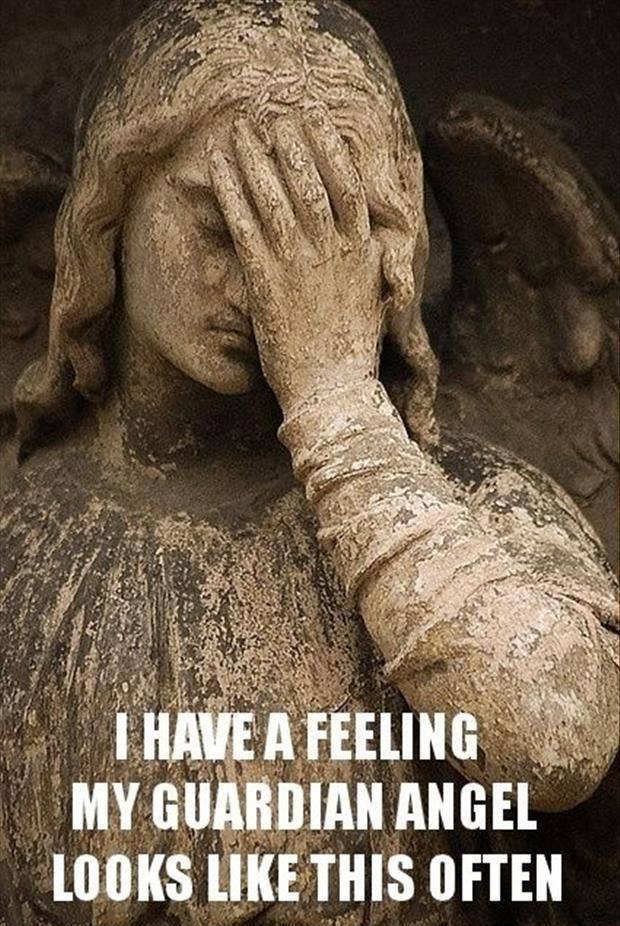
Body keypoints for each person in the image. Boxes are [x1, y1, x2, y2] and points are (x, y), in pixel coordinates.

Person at [1, 2, 617, 924]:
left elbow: (557, 738)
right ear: (109, 213)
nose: (260, 281)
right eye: (224, 223)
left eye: (327, 234)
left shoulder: (470, 505)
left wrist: (336, 405)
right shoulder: (23, 539)